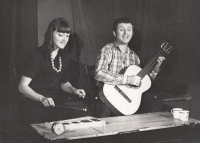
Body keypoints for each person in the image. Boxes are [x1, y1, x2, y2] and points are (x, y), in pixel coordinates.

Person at [18, 18, 87, 125]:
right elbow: (22, 87)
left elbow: (64, 83)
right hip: (34, 102)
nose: (65, 39)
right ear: (51, 34)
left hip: (54, 102)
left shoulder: (65, 57)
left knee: (81, 118)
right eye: (60, 35)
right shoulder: (38, 55)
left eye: (67, 36)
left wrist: (74, 90)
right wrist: (41, 98)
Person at [94, 17, 165, 117]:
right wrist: (127, 79)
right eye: (121, 29)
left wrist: (156, 67)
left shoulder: (135, 57)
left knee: (155, 100)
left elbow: (143, 82)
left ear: (132, 33)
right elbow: (99, 73)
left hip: (126, 101)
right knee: (103, 112)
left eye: (129, 29)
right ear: (114, 33)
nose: (125, 33)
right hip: (108, 98)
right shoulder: (107, 50)